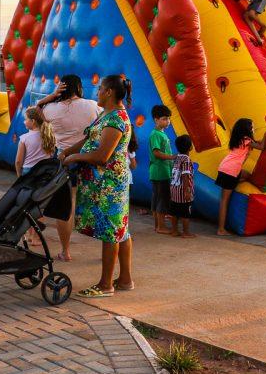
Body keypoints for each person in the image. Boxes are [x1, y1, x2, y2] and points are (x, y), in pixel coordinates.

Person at [61, 75, 134, 297]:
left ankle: (105, 285)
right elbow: (89, 139)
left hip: (109, 185)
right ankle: (125, 280)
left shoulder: (116, 119)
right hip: (104, 184)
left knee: (111, 232)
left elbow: (103, 156)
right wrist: (68, 151)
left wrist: (75, 159)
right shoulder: (106, 115)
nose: (97, 92)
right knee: (121, 230)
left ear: (109, 92)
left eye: (100, 88)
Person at [36, 74, 102, 261]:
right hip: (89, 158)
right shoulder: (92, 105)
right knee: (97, 204)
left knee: (67, 206)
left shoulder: (50, 108)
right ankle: (106, 250)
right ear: (79, 87)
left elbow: (36, 109)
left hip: (64, 159)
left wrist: (51, 95)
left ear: (61, 88)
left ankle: (66, 251)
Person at [215, 118, 264, 235]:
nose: (254, 129)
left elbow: (258, 142)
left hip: (225, 168)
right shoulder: (246, 140)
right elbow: (262, 147)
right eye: (252, 127)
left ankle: (236, 182)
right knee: (224, 200)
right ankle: (221, 229)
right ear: (247, 129)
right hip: (230, 171)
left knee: (247, 175)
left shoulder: (240, 139)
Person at [148, 105, 175, 235]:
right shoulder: (156, 135)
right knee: (162, 199)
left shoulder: (160, 134)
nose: (167, 121)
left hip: (161, 171)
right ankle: (161, 226)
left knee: (157, 198)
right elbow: (157, 153)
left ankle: (157, 225)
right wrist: (172, 157)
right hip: (160, 171)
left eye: (168, 119)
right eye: (164, 119)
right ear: (156, 119)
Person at [15, 106, 56, 177]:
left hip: (29, 171)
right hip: (45, 170)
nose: (24, 122)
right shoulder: (49, 136)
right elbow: (51, 154)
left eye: (25, 119)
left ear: (33, 121)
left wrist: (19, 175)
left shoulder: (24, 138)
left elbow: (18, 161)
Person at [168, 134, 195, 238]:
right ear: (190, 147)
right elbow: (185, 175)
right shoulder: (186, 159)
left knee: (174, 212)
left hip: (174, 189)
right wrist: (187, 191)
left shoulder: (177, 157)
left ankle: (174, 230)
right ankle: (186, 232)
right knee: (185, 213)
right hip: (183, 191)